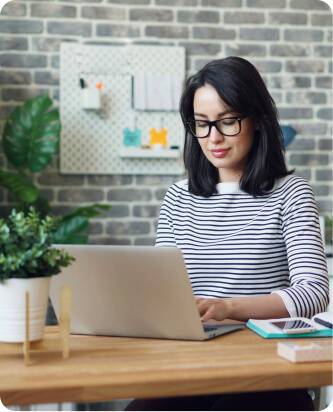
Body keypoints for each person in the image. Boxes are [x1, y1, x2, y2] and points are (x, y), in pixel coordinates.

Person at [126, 56, 329, 411]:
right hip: (188, 365)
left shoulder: (291, 193)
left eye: (228, 121)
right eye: (201, 124)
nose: (213, 137)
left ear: (257, 121)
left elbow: (312, 293)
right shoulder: (178, 197)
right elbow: (160, 288)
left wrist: (229, 308)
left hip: (268, 371)